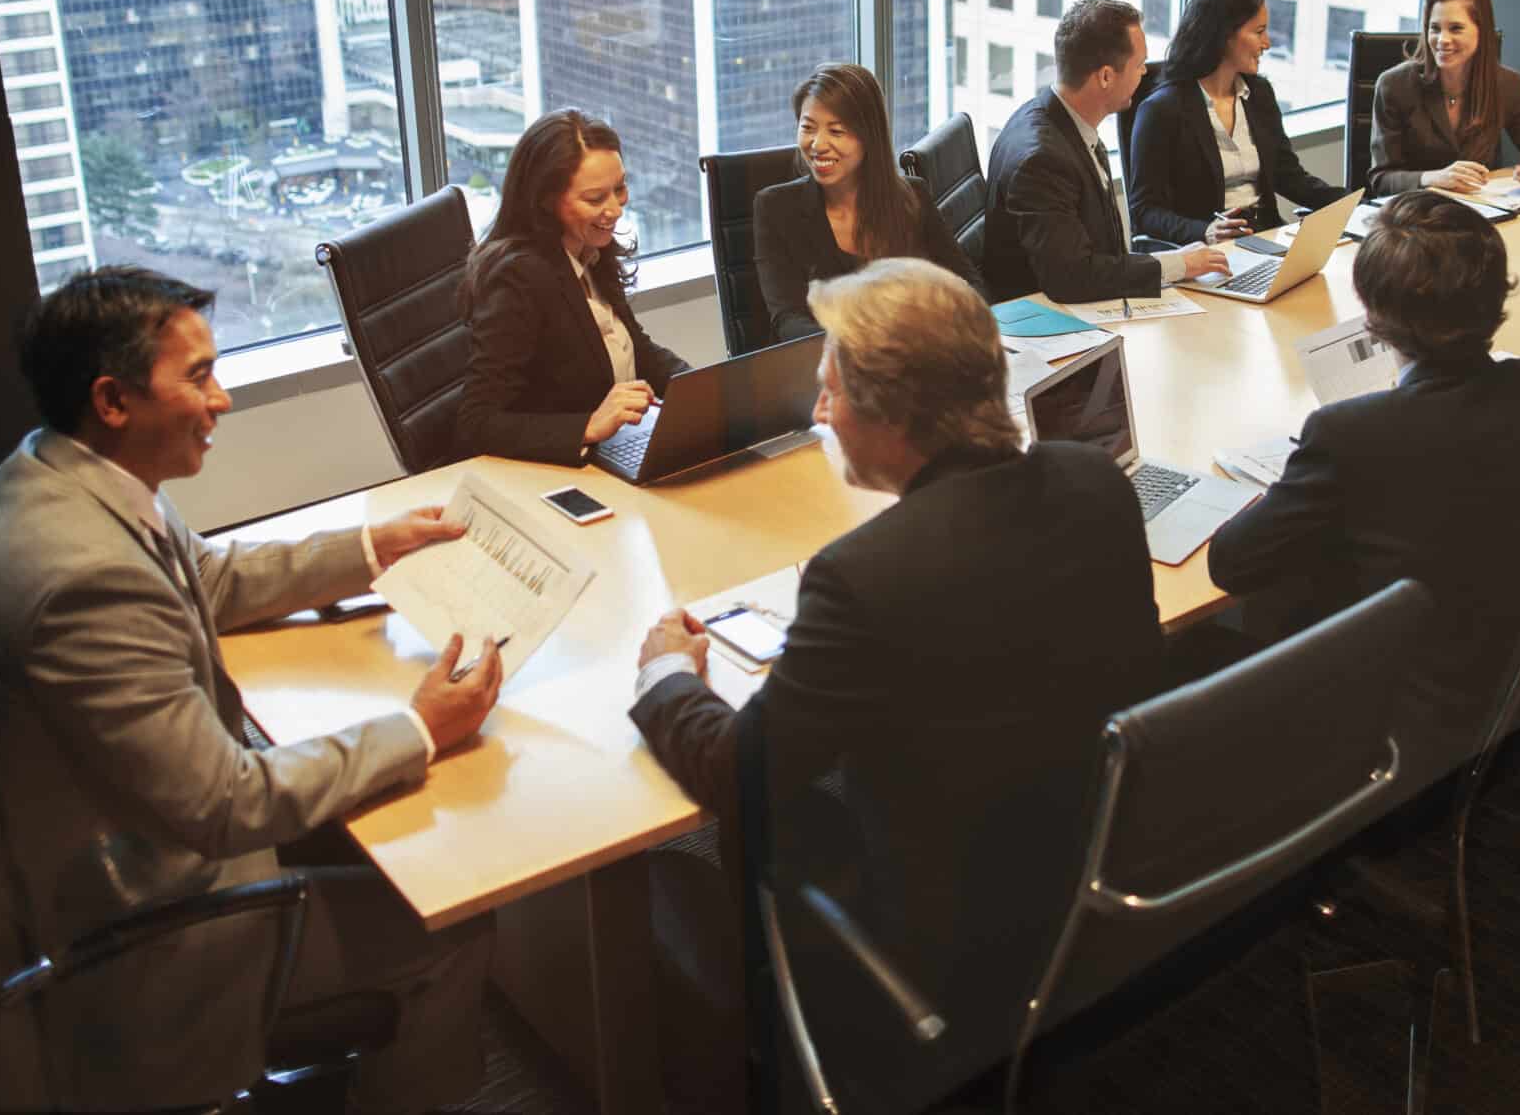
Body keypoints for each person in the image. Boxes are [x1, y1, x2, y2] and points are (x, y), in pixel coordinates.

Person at [0, 268, 504, 1114]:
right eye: (198, 376)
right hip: (114, 938)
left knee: (403, 837)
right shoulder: (82, 579)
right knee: (448, 920)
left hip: (94, 848)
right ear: (113, 399)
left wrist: (371, 547)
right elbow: (225, 803)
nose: (223, 398)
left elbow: (208, 574)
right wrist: (419, 728)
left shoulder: (52, 475)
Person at [629, 259, 1164, 1081]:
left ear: (893, 416)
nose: (818, 413)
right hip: (1106, 878)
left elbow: (743, 776)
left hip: (953, 950)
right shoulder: (1095, 480)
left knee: (668, 872)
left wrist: (669, 674)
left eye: (830, 391)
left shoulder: (865, 575)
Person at [1207, 193, 1520, 766]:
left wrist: (1285, 485)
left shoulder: (1350, 434)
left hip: (1412, 725)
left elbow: (1232, 563)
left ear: (1372, 317)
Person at [457, 109, 689, 463]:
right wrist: (588, 426)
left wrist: (703, 390)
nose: (615, 209)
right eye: (595, 199)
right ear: (546, 201)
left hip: (611, 451)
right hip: (551, 471)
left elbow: (635, 347)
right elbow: (477, 425)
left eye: (620, 189)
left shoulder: (589, 248)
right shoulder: (518, 278)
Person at [984, 0, 1230, 302]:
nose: (1144, 74)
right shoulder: (1042, 160)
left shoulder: (1056, 118)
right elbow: (1073, 277)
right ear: (1105, 76)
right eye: (1139, 65)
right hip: (1055, 323)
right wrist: (1179, 263)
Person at [752, 62, 983, 342]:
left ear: (868, 137)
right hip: (831, 369)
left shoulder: (912, 196)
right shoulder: (776, 209)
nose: (818, 144)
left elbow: (972, 284)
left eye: (836, 131)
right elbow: (789, 323)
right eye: (808, 127)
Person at [1126, 0, 1343, 247]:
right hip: (1206, 252)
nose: (1268, 43)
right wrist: (1205, 231)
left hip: (1266, 239)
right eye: (1259, 31)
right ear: (1224, 35)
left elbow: (1288, 176)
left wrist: (1355, 204)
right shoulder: (1162, 110)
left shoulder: (1259, 94)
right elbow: (1145, 211)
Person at [1366, 0, 1520, 198]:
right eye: (1434, 28)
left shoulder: (1506, 84)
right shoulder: (1395, 84)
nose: (1442, 40)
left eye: (1456, 28)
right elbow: (1382, 179)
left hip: (1479, 209)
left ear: (1482, 32)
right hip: (1412, 210)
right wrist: (1433, 178)